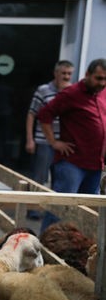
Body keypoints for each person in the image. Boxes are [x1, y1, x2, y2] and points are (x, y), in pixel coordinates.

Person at [37, 58, 106, 234]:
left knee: (89, 212)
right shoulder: (71, 94)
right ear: (87, 75)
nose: (102, 83)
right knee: (60, 210)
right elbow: (44, 115)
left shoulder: (103, 92)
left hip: (96, 164)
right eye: (98, 78)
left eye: (105, 79)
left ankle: (79, 252)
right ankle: (46, 250)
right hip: (72, 163)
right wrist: (54, 142)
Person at [24, 60, 74, 219]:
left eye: (69, 74)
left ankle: (53, 211)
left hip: (64, 143)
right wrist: (30, 139)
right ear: (55, 73)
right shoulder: (43, 90)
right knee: (39, 177)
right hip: (43, 140)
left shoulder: (73, 91)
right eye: (63, 73)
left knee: (59, 178)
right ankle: (33, 209)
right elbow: (32, 114)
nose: (66, 76)